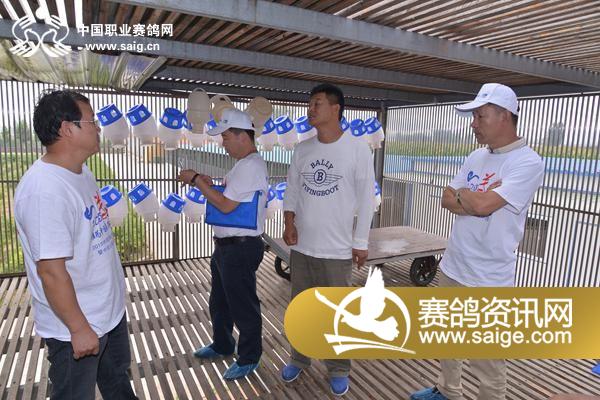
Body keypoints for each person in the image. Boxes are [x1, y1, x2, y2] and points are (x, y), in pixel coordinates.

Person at [411, 83, 545, 400]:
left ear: (504, 116)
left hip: (489, 278)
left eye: (480, 116)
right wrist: (474, 198)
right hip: (454, 265)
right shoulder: (476, 156)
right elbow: (446, 199)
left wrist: (471, 198)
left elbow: (482, 206)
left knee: (488, 362)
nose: (473, 124)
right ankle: (448, 391)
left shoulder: (527, 162)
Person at [13, 90, 137, 400]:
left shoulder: (81, 172)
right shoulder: (45, 191)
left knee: (118, 384)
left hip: (107, 313)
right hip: (77, 327)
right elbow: (51, 272)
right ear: (68, 129)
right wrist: (79, 328)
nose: (98, 128)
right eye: (92, 121)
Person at [279, 83, 375, 396]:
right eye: (310, 103)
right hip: (303, 247)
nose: (310, 109)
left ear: (335, 109)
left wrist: (361, 242)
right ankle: (299, 358)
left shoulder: (357, 148)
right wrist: (288, 222)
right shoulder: (303, 149)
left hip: (337, 250)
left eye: (317, 103)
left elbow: (366, 199)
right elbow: (292, 190)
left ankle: (338, 368)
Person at [178, 108, 269, 380]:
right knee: (220, 300)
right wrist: (210, 184)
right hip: (227, 246)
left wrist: (196, 180)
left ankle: (249, 357)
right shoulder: (243, 165)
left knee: (242, 304)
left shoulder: (251, 166)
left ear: (243, 136)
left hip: (240, 248)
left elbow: (227, 206)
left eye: (226, 137)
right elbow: (233, 197)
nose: (223, 143)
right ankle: (222, 344)